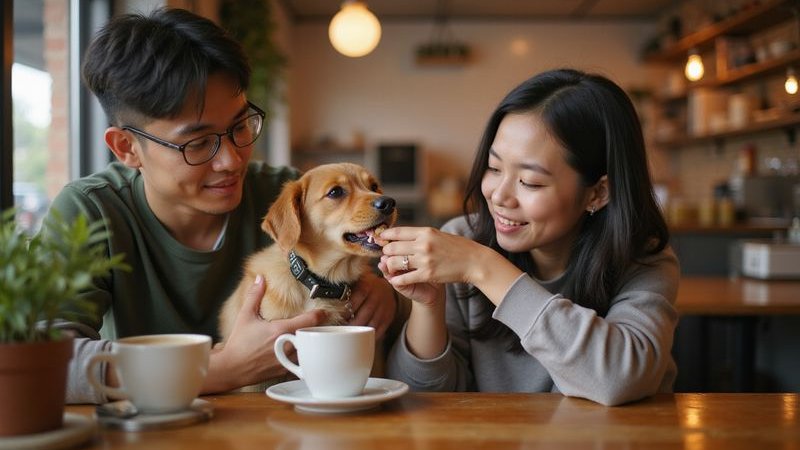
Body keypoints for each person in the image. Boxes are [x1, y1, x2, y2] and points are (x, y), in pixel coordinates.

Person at [47, 7, 401, 404]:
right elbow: (46, 364)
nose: (232, 160)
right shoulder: (90, 212)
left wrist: (384, 293)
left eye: (239, 127)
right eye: (197, 142)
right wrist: (219, 369)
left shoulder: (281, 195)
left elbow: (360, 258)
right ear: (127, 148)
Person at [378, 68, 679, 406]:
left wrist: (485, 268)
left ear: (598, 193)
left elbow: (619, 379)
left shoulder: (641, 259)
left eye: (530, 182)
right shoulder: (464, 238)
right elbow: (422, 397)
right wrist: (429, 306)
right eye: (494, 168)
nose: (499, 196)